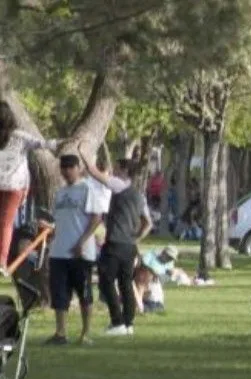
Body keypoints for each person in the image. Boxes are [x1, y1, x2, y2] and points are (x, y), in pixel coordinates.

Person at [82, 158, 153, 337]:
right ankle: (128, 323)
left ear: (123, 170)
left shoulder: (119, 185)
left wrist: (83, 152)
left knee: (106, 282)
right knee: (126, 283)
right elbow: (148, 223)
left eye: (115, 168)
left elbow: (93, 172)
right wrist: (136, 238)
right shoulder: (140, 195)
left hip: (114, 243)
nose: (112, 171)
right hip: (129, 246)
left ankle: (117, 321)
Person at [44, 155, 104, 346]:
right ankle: (60, 333)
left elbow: (97, 218)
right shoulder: (60, 193)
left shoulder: (87, 189)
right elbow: (58, 220)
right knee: (59, 294)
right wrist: (48, 228)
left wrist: (82, 241)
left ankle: (85, 333)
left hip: (81, 252)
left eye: (71, 167)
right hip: (59, 251)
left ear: (79, 168)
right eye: (64, 167)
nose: (67, 171)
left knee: (84, 293)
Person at [0, 101, 55, 272]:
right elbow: (43, 144)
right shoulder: (20, 136)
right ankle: (1, 260)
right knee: (6, 223)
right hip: (15, 185)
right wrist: (61, 142)